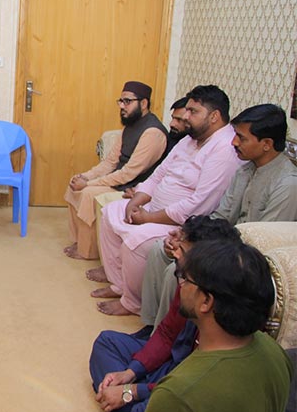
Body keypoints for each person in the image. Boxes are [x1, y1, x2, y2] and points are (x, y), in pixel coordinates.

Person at [90, 85, 243, 316]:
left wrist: (148, 218)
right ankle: (119, 284)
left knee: (135, 240)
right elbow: (159, 174)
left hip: (179, 223)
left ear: (214, 116)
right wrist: (137, 200)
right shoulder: (191, 139)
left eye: (193, 112)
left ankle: (132, 302)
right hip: (153, 208)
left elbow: (200, 204)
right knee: (111, 212)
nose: (186, 117)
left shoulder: (223, 149)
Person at [140, 103, 297, 328]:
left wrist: (202, 253)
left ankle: (167, 342)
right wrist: (189, 236)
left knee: (175, 271)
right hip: (229, 247)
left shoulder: (287, 185)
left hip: (251, 265)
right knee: (161, 249)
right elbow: (221, 216)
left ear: (266, 144)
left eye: (241, 138)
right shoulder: (245, 169)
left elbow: (263, 250)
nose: (233, 143)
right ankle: (151, 330)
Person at [89, 216, 241, 412]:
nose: (174, 251)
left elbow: (189, 383)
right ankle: (128, 409)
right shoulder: (189, 282)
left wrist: (130, 392)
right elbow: (168, 332)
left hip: (183, 382)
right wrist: (130, 374)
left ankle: (129, 409)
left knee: (156, 404)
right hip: (171, 365)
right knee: (107, 343)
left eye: (183, 250)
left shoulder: (220, 316)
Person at [144, 239, 293, 412]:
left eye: (185, 279)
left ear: (206, 301)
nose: (180, 285)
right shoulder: (276, 353)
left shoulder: (176, 395)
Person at [63, 81, 168, 260]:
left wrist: (88, 184)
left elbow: (129, 173)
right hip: (120, 179)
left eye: (127, 102)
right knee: (73, 186)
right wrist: (84, 176)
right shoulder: (130, 126)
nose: (121, 106)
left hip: (133, 186)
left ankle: (88, 251)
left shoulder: (153, 133)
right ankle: (81, 241)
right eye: (120, 101)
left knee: (88, 193)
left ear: (143, 104)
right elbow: (111, 161)